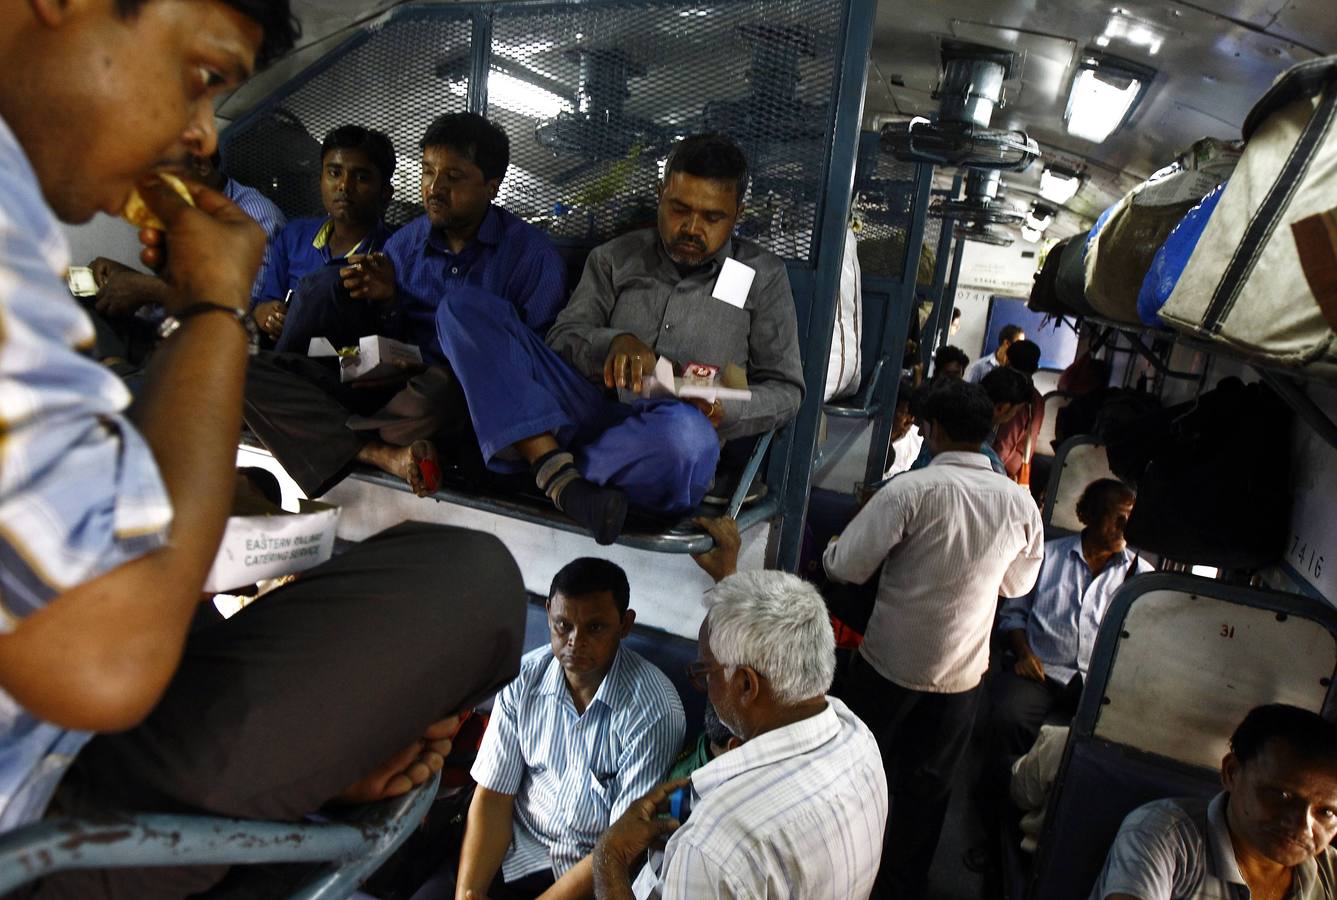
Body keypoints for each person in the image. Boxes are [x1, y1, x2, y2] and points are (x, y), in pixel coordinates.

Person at [0, 4, 529, 898]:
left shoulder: (510, 254)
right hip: (46, 799)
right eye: (204, 76)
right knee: (474, 577)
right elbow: (104, 661)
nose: (201, 130)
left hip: (409, 388)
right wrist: (212, 306)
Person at [433, 133, 804, 544]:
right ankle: (559, 473)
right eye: (679, 209)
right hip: (585, 408)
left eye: (712, 217)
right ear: (660, 194)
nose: (692, 228)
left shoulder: (762, 277)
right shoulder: (615, 257)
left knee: (687, 441)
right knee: (462, 308)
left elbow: (786, 390)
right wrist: (612, 343)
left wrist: (723, 408)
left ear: (738, 214)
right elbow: (562, 339)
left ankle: (541, 457)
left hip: (659, 438)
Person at [243, 112, 566, 497]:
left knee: (437, 398)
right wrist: (388, 304)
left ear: (492, 187)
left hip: (450, 394)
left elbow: (538, 361)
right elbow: (384, 334)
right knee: (242, 370)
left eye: (454, 177)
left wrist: (438, 363)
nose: (434, 189)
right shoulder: (405, 244)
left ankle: (314, 426)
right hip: (385, 380)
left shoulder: (533, 257)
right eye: (428, 172)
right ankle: (380, 452)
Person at [824, 378, 1044, 899]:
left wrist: (835, 544)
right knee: (929, 790)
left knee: (859, 774)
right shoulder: (1020, 505)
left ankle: (842, 875)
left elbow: (846, 569)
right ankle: (902, 886)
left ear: (935, 431)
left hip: (887, 668)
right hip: (960, 680)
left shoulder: (910, 490)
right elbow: (1016, 584)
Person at [592, 571, 888, 899]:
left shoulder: (714, 845)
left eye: (705, 673)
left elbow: (720, 848)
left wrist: (610, 859)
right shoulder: (858, 737)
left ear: (746, 685)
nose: (704, 687)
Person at [457, 559, 685, 900]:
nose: (575, 642)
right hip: (516, 856)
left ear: (625, 624)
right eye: (563, 625)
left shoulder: (653, 710)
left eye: (595, 628)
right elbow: (493, 796)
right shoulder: (522, 680)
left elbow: (621, 845)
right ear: (548, 613)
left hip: (594, 877)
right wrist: (468, 893)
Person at [1090, 704, 1337, 900]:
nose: (1303, 827)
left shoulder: (1329, 873)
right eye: (1281, 796)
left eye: (1326, 812)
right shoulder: (1164, 835)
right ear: (1232, 773)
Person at [991, 479, 1151, 758]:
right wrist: (1024, 654)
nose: (1125, 528)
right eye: (1117, 518)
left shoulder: (1140, 579)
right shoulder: (1047, 556)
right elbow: (1013, 614)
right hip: (1041, 673)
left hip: (1098, 686)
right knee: (1007, 716)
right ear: (1089, 516)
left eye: (1131, 519)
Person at [87, 150, 286, 365]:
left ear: (201, 164)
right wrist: (126, 279)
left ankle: (123, 376)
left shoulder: (255, 218)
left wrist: (145, 288)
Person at [250, 124, 397, 350]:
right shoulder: (294, 236)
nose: (344, 186)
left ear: (385, 192)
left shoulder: (393, 253)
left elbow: (397, 335)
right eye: (334, 173)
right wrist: (268, 315)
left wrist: (388, 301)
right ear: (320, 180)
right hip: (279, 362)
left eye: (361, 177)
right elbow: (265, 302)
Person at [908, 367, 1029, 475]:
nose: (921, 432)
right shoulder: (993, 465)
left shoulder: (941, 430)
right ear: (1002, 408)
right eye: (1016, 411)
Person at [992, 338, 1046, 481]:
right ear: (1035, 367)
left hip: (999, 470)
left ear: (1008, 361)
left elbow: (1005, 442)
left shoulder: (1015, 395)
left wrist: (989, 470)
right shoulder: (1038, 399)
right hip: (1016, 469)